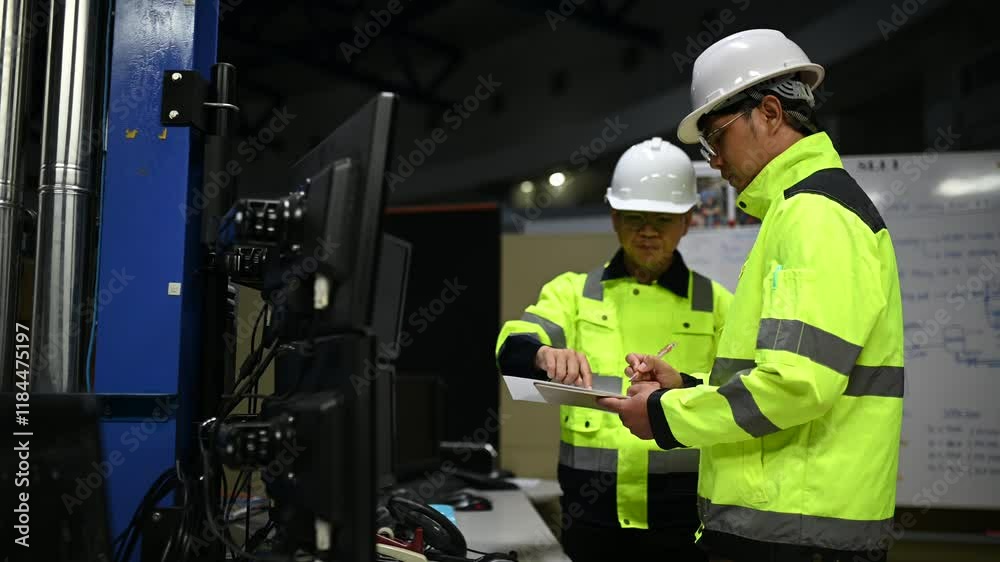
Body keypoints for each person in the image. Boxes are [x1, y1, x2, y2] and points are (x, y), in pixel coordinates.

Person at [600, 29, 905, 562]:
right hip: (792, 528)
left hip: (795, 535)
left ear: (769, 113)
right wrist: (687, 387)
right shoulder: (799, 212)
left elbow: (796, 386)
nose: (714, 160)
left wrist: (667, 414)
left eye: (715, 138)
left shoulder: (814, 216)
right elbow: (792, 374)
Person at [496, 137, 733, 562]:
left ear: (687, 221)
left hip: (684, 518)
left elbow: (738, 393)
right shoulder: (573, 293)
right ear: (613, 217)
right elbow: (513, 345)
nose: (647, 231)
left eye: (662, 219)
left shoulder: (718, 304)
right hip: (591, 518)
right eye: (634, 217)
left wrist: (685, 385)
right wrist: (541, 354)